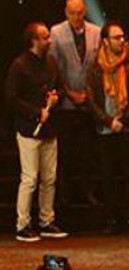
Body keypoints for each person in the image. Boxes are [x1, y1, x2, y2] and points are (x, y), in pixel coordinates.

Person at [6, 23, 68, 242]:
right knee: (30, 178)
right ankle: (22, 225)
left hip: (49, 130)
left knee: (49, 178)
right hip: (28, 131)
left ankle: (46, 221)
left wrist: (56, 97)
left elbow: (60, 87)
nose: (49, 40)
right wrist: (35, 112)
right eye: (45, 37)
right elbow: (11, 98)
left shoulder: (50, 62)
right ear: (33, 41)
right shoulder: (19, 65)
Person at [86, 22, 129, 235]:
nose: (121, 41)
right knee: (108, 175)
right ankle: (111, 219)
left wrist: (125, 119)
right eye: (116, 37)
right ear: (105, 41)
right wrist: (108, 121)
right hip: (105, 128)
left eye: (122, 37)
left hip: (127, 126)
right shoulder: (95, 65)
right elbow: (91, 98)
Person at [49, 0, 101, 207]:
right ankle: (64, 192)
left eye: (79, 13)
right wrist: (68, 92)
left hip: (89, 102)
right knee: (65, 151)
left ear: (85, 11)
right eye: (72, 13)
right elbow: (53, 68)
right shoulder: (56, 33)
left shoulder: (96, 32)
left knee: (88, 151)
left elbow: (98, 67)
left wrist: (89, 94)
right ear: (66, 12)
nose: (76, 17)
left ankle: (87, 191)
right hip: (66, 102)